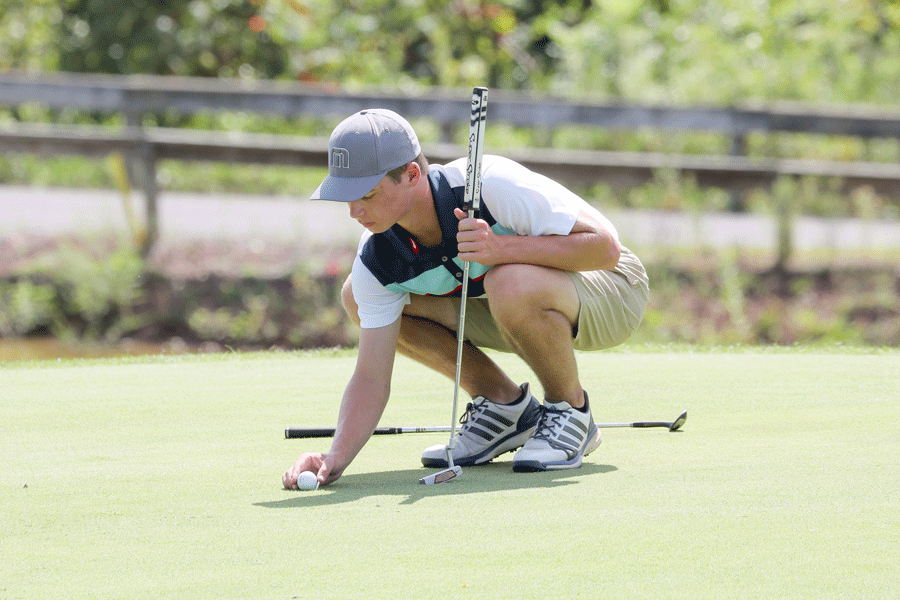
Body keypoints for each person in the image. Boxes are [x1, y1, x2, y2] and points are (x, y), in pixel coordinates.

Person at [283, 108, 649, 489]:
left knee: (508, 282)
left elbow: (605, 249)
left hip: (612, 288)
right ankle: (505, 409)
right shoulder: (377, 257)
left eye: (368, 195)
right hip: (508, 303)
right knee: (357, 297)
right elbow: (372, 377)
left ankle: (571, 412)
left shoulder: (491, 185)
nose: (354, 211)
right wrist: (335, 456)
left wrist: (501, 247)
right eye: (346, 197)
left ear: (411, 175)